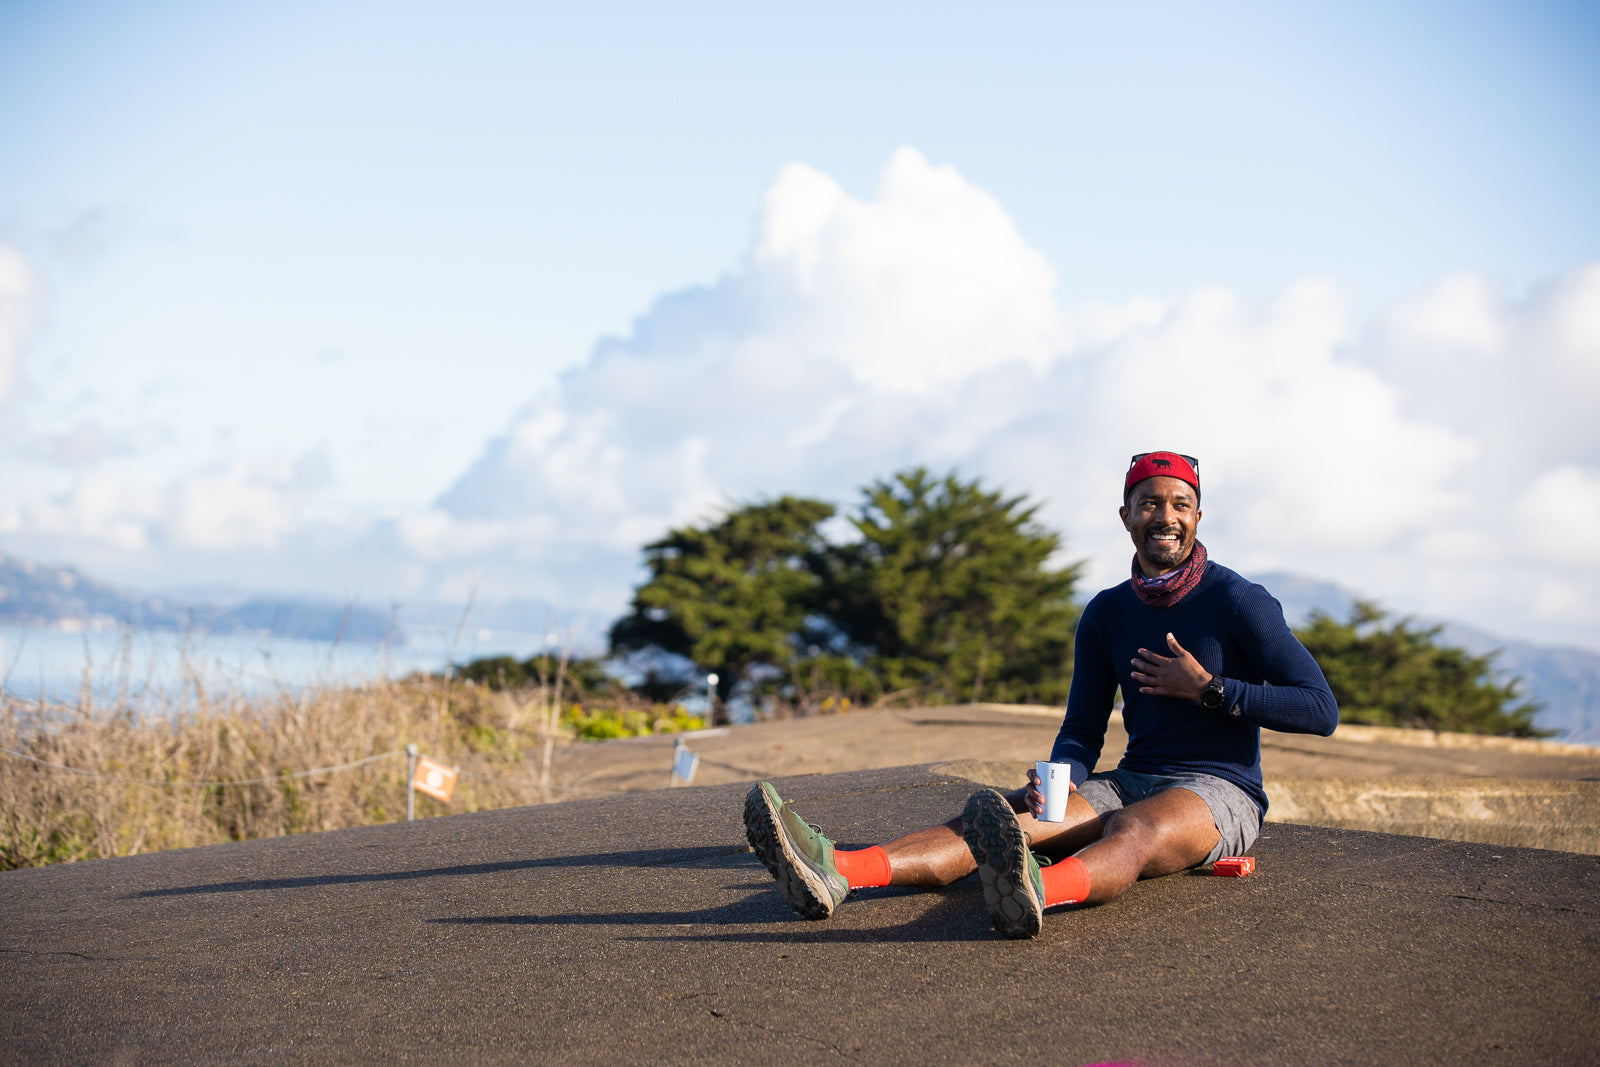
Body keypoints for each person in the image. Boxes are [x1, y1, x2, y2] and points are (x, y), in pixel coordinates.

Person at [743, 451, 1339, 938]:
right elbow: (1083, 725)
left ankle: (1032, 891)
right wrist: (1062, 774)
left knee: (1133, 830)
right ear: (1127, 515)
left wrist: (1210, 691)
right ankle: (840, 870)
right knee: (1004, 819)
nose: (1165, 516)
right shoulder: (1107, 613)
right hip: (1134, 775)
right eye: (1150, 503)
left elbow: (1320, 709)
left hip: (1219, 790)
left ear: (1198, 517)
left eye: (1180, 504)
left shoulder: (1239, 601)